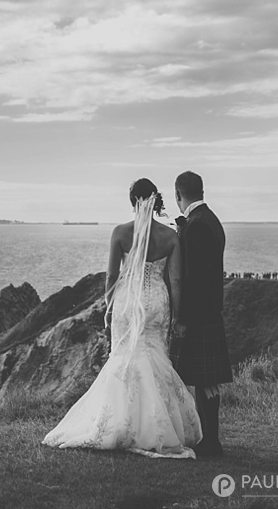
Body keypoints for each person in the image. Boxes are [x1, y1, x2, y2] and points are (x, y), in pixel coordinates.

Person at [43, 178, 202, 459]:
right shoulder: (170, 236)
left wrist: (109, 308)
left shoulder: (120, 233)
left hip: (128, 302)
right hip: (156, 303)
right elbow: (176, 280)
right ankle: (158, 427)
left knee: (124, 360)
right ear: (156, 200)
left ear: (132, 202)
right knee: (155, 358)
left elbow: (111, 276)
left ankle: (121, 424)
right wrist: (177, 315)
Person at [169, 171, 232, 457]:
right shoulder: (211, 220)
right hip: (209, 312)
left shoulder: (197, 225)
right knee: (207, 382)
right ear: (202, 191)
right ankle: (209, 439)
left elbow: (196, 279)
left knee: (205, 381)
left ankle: (211, 442)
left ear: (178, 194)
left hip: (201, 314)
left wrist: (184, 319)